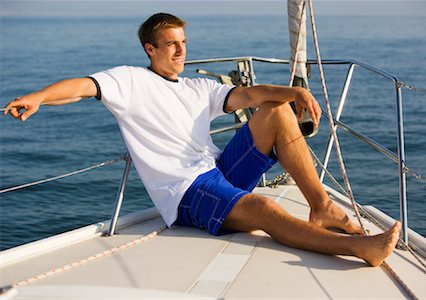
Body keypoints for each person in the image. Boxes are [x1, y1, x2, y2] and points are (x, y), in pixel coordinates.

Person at [4, 13, 400, 267]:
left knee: (277, 109)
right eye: (171, 43)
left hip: (215, 170)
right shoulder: (129, 80)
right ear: (150, 49)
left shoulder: (197, 86)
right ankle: (359, 249)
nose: (181, 50)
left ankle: (323, 207)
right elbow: (81, 87)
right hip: (186, 193)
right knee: (261, 207)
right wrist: (39, 97)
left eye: (183, 42)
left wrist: (291, 92)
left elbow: (249, 96)